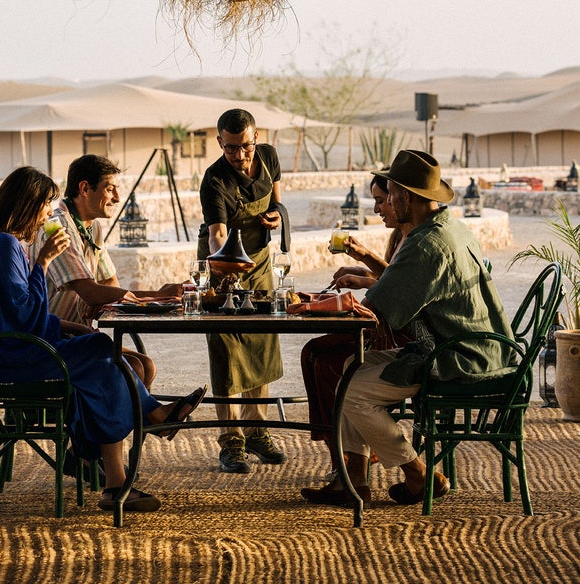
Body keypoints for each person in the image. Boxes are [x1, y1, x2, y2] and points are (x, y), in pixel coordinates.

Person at [0, 166, 206, 513]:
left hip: (12, 350)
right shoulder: (4, 245)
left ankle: (106, 472)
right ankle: (144, 424)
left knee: (104, 363)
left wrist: (68, 326)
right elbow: (22, 314)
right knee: (101, 352)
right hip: (6, 360)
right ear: (28, 203)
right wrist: (45, 262)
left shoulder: (6, 245)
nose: (49, 211)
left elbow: (19, 313)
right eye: (46, 203)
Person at [301, 149, 514, 508]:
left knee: (352, 390)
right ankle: (353, 479)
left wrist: (313, 306)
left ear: (406, 196)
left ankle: (420, 475)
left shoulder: (426, 245)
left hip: (460, 356)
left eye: (390, 193)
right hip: (472, 344)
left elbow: (376, 311)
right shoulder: (448, 228)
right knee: (349, 369)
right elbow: (398, 292)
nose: (384, 202)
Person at [300, 173, 410, 475]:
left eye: (381, 200)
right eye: (377, 200)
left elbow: (399, 288)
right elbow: (392, 280)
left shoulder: (414, 239)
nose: (378, 208)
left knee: (323, 358)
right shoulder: (400, 236)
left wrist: (363, 270)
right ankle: (340, 451)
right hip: (381, 325)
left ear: (400, 197)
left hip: (395, 336)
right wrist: (362, 264)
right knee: (314, 352)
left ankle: (349, 456)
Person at [198, 108, 286, 474]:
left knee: (261, 341)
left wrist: (277, 215)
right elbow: (218, 232)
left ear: (256, 137)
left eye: (245, 146)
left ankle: (257, 431)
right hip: (223, 262)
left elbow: (277, 200)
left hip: (261, 258)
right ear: (220, 142)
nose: (239, 155)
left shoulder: (268, 156)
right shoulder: (214, 180)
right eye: (231, 148)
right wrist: (225, 267)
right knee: (227, 348)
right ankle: (231, 441)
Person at [27, 154, 156, 388]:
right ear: (85, 188)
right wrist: (156, 297)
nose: (117, 198)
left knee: (146, 365)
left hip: (79, 333)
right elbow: (89, 291)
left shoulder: (92, 227)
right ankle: (138, 421)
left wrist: (151, 297)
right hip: (51, 337)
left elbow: (109, 283)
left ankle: (144, 421)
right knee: (134, 367)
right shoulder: (57, 227)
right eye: (110, 189)